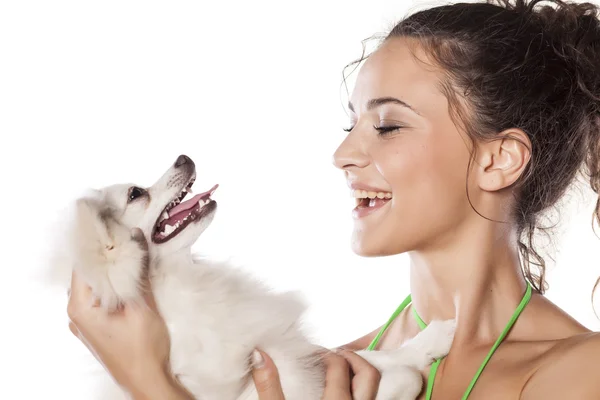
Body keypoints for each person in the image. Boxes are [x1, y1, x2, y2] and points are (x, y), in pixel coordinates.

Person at [66, 0, 600, 398]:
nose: (343, 153)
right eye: (351, 124)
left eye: (388, 126)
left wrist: (145, 378)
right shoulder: (324, 374)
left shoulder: (579, 373)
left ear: (499, 159)